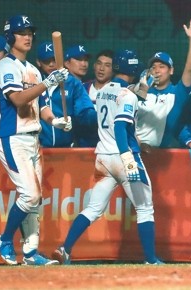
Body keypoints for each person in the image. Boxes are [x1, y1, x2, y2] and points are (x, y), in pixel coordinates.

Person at [52, 49, 161, 265]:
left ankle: (65, 249)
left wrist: (142, 88)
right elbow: (121, 125)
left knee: (93, 209)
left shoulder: (102, 91)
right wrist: (128, 159)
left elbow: (123, 98)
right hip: (123, 156)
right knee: (145, 208)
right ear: (133, 68)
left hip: (103, 157)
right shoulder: (128, 95)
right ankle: (151, 259)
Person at [0, 14, 71, 266]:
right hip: (12, 137)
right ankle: (5, 239)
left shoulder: (33, 70)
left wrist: (56, 121)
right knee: (29, 195)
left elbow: (43, 106)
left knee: (35, 199)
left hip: (33, 137)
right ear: (10, 36)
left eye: (29, 32)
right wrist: (49, 81)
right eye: (21, 32)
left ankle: (30, 253)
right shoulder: (6, 66)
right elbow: (17, 99)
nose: (27, 36)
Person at [135, 17, 191, 149]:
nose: (157, 70)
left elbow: (189, 69)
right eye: (153, 67)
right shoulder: (142, 90)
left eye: (162, 66)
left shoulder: (177, 93)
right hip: (134, 150)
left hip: (161, 154)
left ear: (171, 71)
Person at [35, 41, 97, 147]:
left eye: (54, 60)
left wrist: (101, 116)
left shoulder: (72, 83)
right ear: (38, 62)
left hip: (66, 147)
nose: (51, 64)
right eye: (46, 61)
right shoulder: (33, 81)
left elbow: (84, 112)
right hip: (37, 147)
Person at [81, 49, 114, 147]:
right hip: (83, 146)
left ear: (114, 69)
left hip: (108, 147)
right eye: (99, 64)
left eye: (107, 65)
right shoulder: (82, 88)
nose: (101, 68)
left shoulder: (118, 91)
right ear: (94, 66)